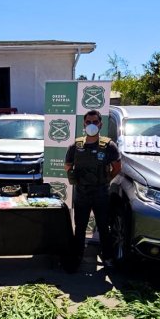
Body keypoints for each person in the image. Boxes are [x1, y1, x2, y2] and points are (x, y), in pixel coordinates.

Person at [64, 110, 121, 269]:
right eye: (88, 122)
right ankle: (77, 256)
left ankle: (108, 257)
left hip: (101, 193)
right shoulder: (76, 145)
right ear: (84, 124)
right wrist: (75, 177)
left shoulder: (109, 146)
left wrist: (107, 179)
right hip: (82, 193)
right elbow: (68, 165)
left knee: (103, 226)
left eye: (95, 122)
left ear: (100, 124)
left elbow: (117, 167)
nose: (91, 125)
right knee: (80, 227)